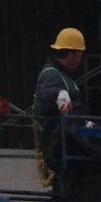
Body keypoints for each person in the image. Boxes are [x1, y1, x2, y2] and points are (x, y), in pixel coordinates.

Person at [31, 25, 88, 185]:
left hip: (66, 140)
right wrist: (58, 93)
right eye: (79, 54)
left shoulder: (63, 75)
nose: (80, 59)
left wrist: (84, 123)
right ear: (70, 53)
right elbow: (46, 93)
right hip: (58, 145)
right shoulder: (51, 74)